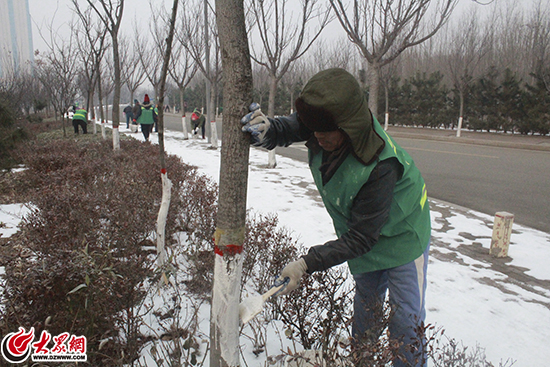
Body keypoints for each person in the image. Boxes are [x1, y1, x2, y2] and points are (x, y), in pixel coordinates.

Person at [241, 68, 431, 367]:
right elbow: (288, 128)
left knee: (405, 324)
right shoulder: (323, 126)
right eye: (313, 130)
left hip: (402, 236)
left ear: (349, 126)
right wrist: (267, 132)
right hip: (362, 234)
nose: (316, 138)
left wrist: (306, 264)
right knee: (366, 315)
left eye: (324, 132)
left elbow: (361, 237)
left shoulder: (381, 165)